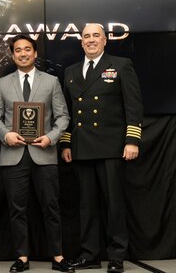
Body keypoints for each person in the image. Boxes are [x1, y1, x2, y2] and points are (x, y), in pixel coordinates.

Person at [60, 23, 143, 273]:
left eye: (96, 35)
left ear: (105, 40)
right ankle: (90, 254)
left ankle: (117, 256)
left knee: (114, 204)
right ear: (81, 41)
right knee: (86, 205)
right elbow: (68, 112)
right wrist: (66, 142)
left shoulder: (121, 65)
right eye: (86, 36)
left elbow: (134, 105)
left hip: (111, 146)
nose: (91, 40)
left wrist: (132, 140)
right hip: (82, 147)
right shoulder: (71, 72)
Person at [0, 34, 74, 273]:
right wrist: (6, 135)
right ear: (13, 54)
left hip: (44, 153)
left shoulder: (51, 81)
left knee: (51, 208)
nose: (23, 53)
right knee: (17, 210)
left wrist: (51, 137)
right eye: (18, 50)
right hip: (12, 154)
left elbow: (63, 117)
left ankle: (58, 257)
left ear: (35, 54)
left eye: (27, 49)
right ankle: (22, 258)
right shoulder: (2, 84)